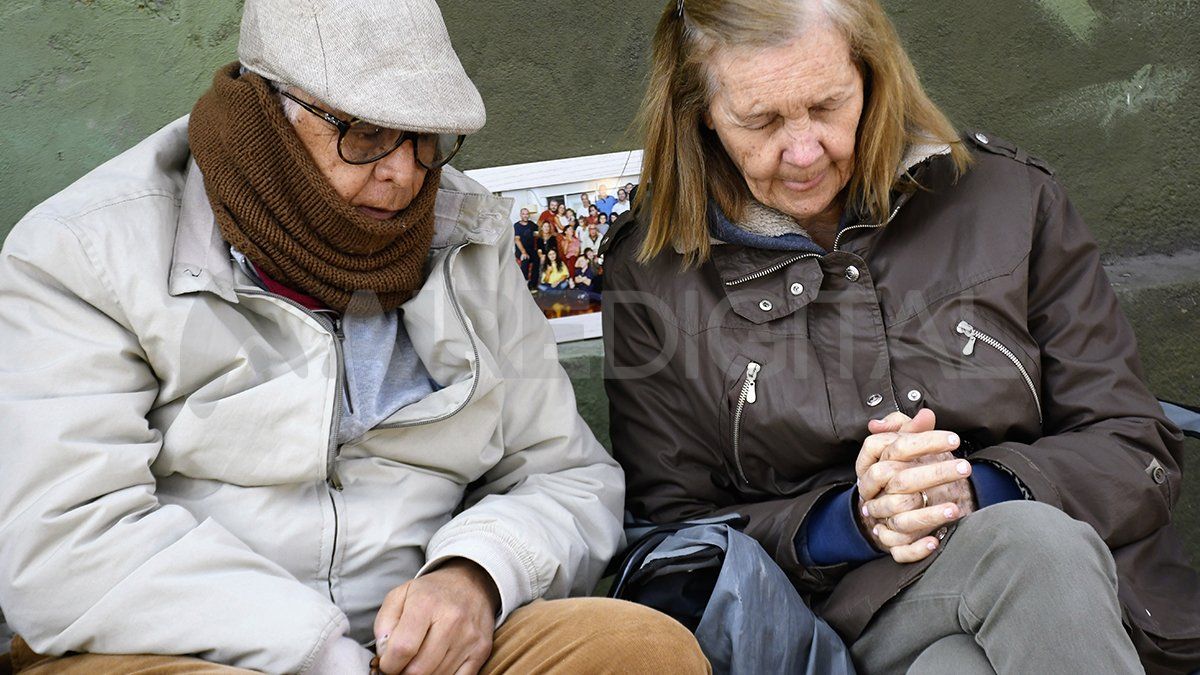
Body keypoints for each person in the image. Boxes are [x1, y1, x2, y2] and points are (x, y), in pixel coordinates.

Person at [0, 1, 712, 674]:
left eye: (424, 135)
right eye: (364, 132)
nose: (402, 171)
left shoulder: (466, 234)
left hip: (413, 648)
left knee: (642, 649)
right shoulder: (83, 252)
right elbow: (61, 543)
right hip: (188, 648)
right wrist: (308, 646)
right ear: (267, 114)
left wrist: (479, 574)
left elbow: (569, 476)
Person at [601, 1, 1200, 673]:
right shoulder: (655, 277)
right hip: (848, 620)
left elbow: (1134, 443)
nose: (803, 152)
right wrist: (848, 519)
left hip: (1091, 593)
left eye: (828, 106)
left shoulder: (1007, 197)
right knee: (1030, 547)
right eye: (761, 121)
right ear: (701, 115)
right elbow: (671, 531)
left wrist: (976, 487)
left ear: (872, 79)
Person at [513, 207, 539, 290]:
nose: (525, 216)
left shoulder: (531, 224)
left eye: (527, 214)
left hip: (531, 250)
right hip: (521, 250)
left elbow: (540, 230)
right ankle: (525, 283)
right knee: (525, 260)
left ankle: (533, 285)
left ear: (529, 215)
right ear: (520, 215)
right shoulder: (516, 225)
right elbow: (517, 240)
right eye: (523, 214)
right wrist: (523, 252)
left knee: (537, 260)